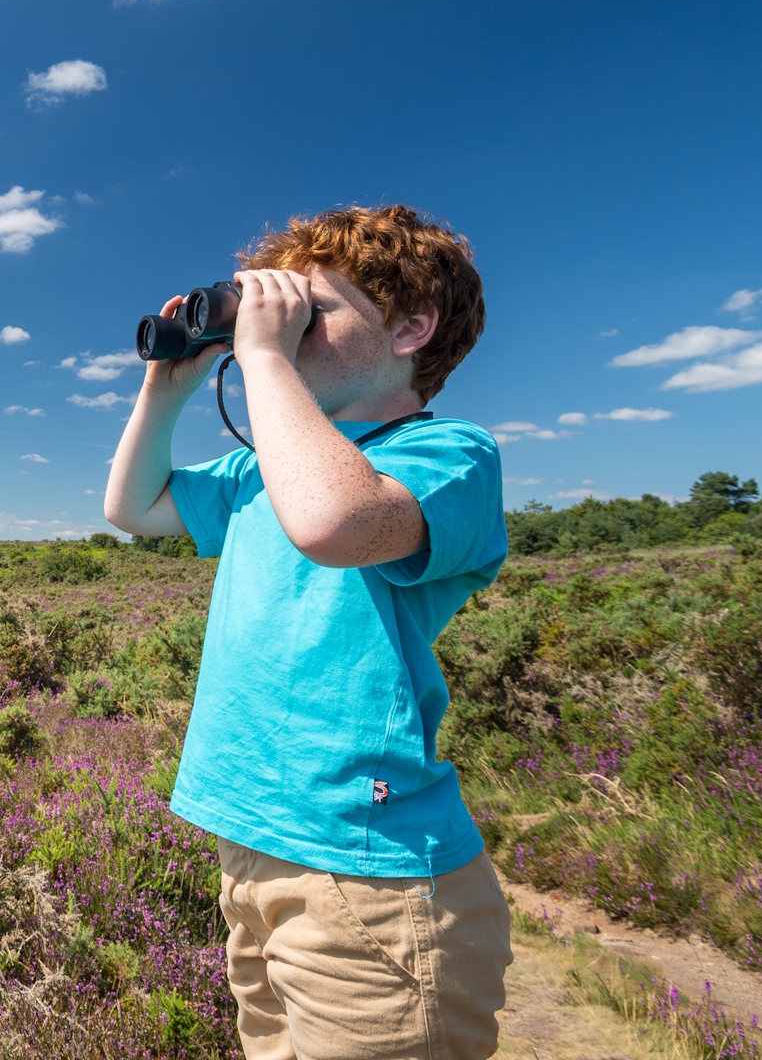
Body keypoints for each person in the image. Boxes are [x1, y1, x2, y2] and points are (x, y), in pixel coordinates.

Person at [104, 204, 510, 1060]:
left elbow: (333, 519)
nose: (281, 326)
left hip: (369, 870)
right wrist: (164, 390)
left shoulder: (451, 455)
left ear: (411, 329)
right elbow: (131, 508)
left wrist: (259, 357)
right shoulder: (260, 469)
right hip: (249, 838)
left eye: (308, 309)